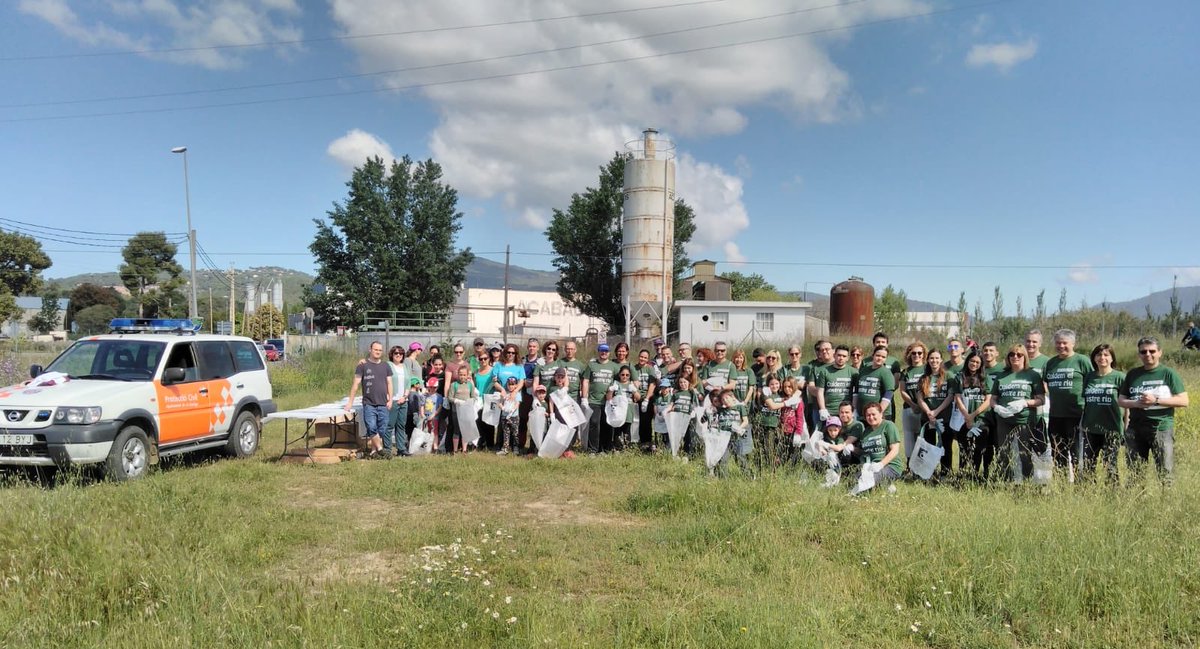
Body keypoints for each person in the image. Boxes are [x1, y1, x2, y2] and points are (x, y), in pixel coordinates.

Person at [1117, 336, 1189, 485]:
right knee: (1135, 473)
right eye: (1143, 352)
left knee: (1165, 473)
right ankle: (1137, 503)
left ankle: (1166, 503)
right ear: (1139, 354)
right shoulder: (1132, 374)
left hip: (1161, 428)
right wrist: (1136, 403)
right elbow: (1121, 400)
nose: (1148, 354)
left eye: (1152, 351)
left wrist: (1155, 400)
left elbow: (1183, 400)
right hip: (1135, 429)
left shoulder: (1168, 373)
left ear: (1160, 352)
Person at [990, 345, 1046, 483]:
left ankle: (1026, 483)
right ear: (1008, 357)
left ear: (1024, 357)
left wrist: (1025, 403)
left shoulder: (1032, 375)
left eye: (1019, 354)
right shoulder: (1002, 375)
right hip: (1004, 419)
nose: (1015, 357)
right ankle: (1004, 482)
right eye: (1012, 354)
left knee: (1024, 453)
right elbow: (993, 398)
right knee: (1003, 452)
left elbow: (1041, 399)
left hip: (1024, 420)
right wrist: (996, 408)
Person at [1044, 329, 1094, 468]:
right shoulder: (1051, 363)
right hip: (1055, 415)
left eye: (1064, 343)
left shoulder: (1082, 360)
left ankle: (1080, 485)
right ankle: (1061, 483)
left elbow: (1092, 382)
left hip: (1077, 414)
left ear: (1073, 344)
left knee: (1077, 453)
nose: (1061, 346)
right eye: (1058, 343)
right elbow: (1046, 383)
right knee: (1058, 452)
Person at [1080, 343, 1125, 483]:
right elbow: (1084, 401)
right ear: (1094, 358)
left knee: (1109, 465)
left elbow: (1127, 405)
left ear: (1112, 358)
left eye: (1106, 355)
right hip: (1090, 428)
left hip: (1112, 428)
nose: (1102, 358)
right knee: (1088, 465)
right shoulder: (1089, 377)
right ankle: (1088, 494)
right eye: (1099, 355)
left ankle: (1112, 493)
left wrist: (1126, 425)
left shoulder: (1120, 377)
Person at [346, 341, 392, 459]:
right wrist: (350, 402)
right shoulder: (363, 365)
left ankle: (373, 451)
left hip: (383, 403)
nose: (378, 352)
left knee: (382, 428)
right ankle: (381, 449)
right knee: (371, 426)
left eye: (380, 350)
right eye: (376, 349)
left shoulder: (386, 365)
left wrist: (390, 399)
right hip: (369, 403)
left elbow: (389, 383)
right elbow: (355, 384)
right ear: (370, 350)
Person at [952, 352, 992, 479]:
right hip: (963, 419)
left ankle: (977, 475)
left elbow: (988, 400)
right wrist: (967, 416)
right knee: (964, 448)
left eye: (977, 362)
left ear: (981, 365)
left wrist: (973, 415)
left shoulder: (986, 378)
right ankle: (963, 475)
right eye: (972, 361)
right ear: (967, 361)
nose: (974, 364)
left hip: (981, 419)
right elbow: (957, 398)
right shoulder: (959, 377)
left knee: (980, 449)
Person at [917, 349, 954, 473]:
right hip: (927, 418)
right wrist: (929, 412)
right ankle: (928, 472)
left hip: (945, 417)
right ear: (927, 360)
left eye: (937, 358)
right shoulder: (923, 378)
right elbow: (920, 398)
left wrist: (936, 412)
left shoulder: (948, 376)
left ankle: (945, 472)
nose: (934, 361)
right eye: (932, 358)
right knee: (929, 445)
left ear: (941, 359)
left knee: (946, 445)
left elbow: (950, 397)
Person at [854, 402, 903, 492]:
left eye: (873, 414)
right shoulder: (866, 432)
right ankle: (884, 484)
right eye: (868, 415)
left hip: (890, 466)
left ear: (881, 414)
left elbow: (895, 450)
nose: (871, 417)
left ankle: (886, 485)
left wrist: (881, 464)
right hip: (871, 467)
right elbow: (864, 452)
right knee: (854, 480)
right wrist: (852, 449)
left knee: (869, 481)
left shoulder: (888, 426)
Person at [581, 343, 619, 454]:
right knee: (594, 423)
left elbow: (620, 379)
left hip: (608, 401)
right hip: (594, 400)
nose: (604, 353)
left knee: (606, 424)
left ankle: (605, 449)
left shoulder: (613, 366)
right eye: (602, 351)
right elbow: (586, 381)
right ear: (598, 352)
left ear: (609, 353)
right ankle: (593, 449)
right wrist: (584, 397)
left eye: (606, 351)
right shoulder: (592, 365)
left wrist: (615, 388)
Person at [897, 342, 927, 462]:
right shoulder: (906, 372)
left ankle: (923, 465)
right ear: (909, 355)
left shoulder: (927, 369)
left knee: (923, 439)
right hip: (909, 408)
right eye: (913, 353)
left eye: (919, 353)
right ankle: (910, 466)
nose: (916, 355)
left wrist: (922, 406)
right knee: (909, 438)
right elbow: (902, 391)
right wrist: (913, 405)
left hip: (925, 409)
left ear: (923, 355)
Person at [712, 388, 752, 477]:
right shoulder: (721, 410)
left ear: (732, 397)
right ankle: (723, 478)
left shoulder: (740, 407)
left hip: (737, 438)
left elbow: (745, 421)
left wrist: (738, 428)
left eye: (727, 398)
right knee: (723, 458)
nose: (725, 401)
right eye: (723, 399)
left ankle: (749, 476)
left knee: (740, 458)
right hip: (725, 438)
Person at [813, 345, 856, 427]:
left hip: (846, 413)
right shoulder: (824, 371)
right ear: (834, 355)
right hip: (829, 412)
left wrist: (854, 410)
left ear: (847, 358)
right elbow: (820, 392)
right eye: (839, 355)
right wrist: (822, 409)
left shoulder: (853, 372)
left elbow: (856, 393)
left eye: (844, 356)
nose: (841, 358)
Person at [854, 346, 896, 423]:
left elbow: (889, 393)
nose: (880, 358)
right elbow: (856, 391)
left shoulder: (886, 372)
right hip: (863, 414)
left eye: (883, 357)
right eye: (878, 355)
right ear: (873, 355)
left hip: (879, 415)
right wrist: (855, 409)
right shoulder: (864, 370)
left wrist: (879, 412)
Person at [755, 374, 786, 470]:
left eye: (777, 383)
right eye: (772, 384)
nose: (774, 386)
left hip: (776, 425)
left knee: (776, 449)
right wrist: (786, 402)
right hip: (765, 424)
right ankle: (765, 469)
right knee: (765, 449)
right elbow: (772, 406)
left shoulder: (781, 394)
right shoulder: (765, 394)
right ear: (768, 385)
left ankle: (773, 469)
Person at [446, 365, 479, 454]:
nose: (462, 377)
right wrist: (457, 401)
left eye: (464, 375)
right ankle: (455, 450)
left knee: (465, 430)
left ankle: (464, 450)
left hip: (466, 411)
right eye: (460, 374)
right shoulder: (454, 385)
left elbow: (474, 397)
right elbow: (450, 397)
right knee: (456, 430)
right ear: (457, 374)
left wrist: (470, 401)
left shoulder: (470, 385)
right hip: (456, 411)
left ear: (467, 375)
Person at [632, 349, 660, 451]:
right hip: (637, 397)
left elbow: (652, 384)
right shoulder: (634, 368)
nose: (642, 359)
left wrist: (647, 399)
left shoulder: (650, 369)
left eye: (645, 357)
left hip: (648, 397)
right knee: (637, 421)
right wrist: (635, 394)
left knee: (646, 421)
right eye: (641, 356)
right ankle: (639, 441)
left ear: (648, 359)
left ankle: (648, 442)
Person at [385, 345, 410, 457]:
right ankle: (387, 449)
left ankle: (401, 448)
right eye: (396, 353)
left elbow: (409, 383)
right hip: (393, 400)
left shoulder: (404, 366)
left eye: (400, 353)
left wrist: (404, 397)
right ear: (392, 355)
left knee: (401, 425)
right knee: (389, 425)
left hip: (403, 400)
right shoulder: (388, 365)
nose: (398, 355)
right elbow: (385, 381)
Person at [606, 365, 639, 450]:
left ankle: (627, 448)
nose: (625, 376)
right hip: (618, 411)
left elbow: (638, 398)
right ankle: (617, 448)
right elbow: (608, 398)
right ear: (619, 375)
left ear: (630, 376)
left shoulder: (631, 384)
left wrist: (634, 390)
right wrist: (611, 390)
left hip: (628, 411)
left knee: (627, 430)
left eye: (627, 375)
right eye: (623, 374)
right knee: (617, 430)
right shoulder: (615, 383)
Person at [519, 337, 542, 452]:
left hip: (536, 394)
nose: (532, 348)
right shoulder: (522, 360)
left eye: (534, 346)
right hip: (523, 394)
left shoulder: (541, 361)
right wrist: (523, 383)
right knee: (522, 420)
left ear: (538, 348)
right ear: (527, 347)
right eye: (530, 346)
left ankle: (533, 447)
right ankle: (520, 445)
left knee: (535, 420)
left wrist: (533, 383)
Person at [473, 347, 496, 449]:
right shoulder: (475, 373)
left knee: (489, 423)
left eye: (485, 358)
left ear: (489, 359)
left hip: (490, 400)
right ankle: (480, 444)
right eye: (481, 359)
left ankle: (490, 444)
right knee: (479, 423)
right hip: (479, 401)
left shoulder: (493, 371)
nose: (483, 361)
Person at [496, 376, 521, 455]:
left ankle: (516, 448)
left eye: (513, 384)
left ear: (516, 385)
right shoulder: (504, 393)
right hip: (504, 416)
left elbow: (517, 404)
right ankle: (505, 449)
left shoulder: (517, 394)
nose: (511, 386)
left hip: (514, 417)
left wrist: (512, 410)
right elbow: (499, 403)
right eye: (509, 384)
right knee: (506, 433)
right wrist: (503, 408)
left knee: (515, 433)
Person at [421, 376, 444, 450]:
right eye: (431, 387)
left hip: (434, 418)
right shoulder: (425, 396)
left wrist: (434, 415)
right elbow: (422, 405)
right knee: (427, 431)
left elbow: (440, 407)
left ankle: (435, 446)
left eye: (434, 387)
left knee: (434, 432)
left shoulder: (438, 396)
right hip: (426, 417)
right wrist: (422, 414)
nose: (432, 389)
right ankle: (428, 446)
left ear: (437, 387)